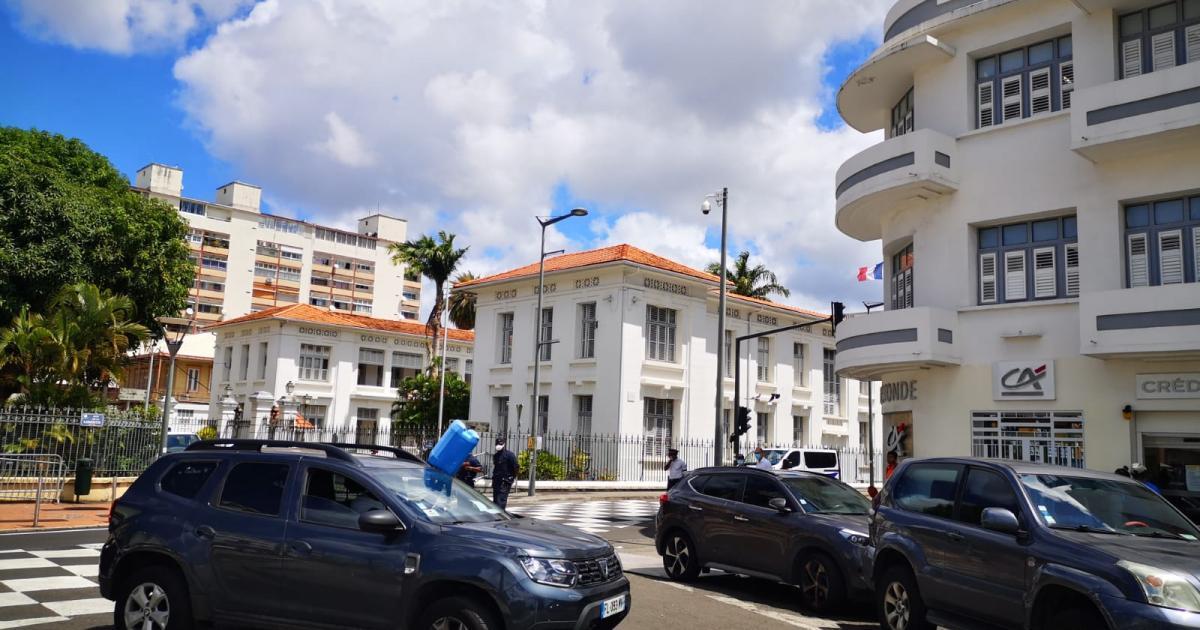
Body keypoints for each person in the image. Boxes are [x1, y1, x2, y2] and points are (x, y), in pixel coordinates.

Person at [491, 437, 519, 510]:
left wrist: (511, 478)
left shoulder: (510, 455)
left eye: (500, 444)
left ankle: (501, 517)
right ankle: (497, 517)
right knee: (495, 501)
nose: (498, 445)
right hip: (496, 481)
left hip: (504, 482)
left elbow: (516, 467)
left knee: (501, 501)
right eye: (497, 444)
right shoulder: (496, 456)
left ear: (504, 444)